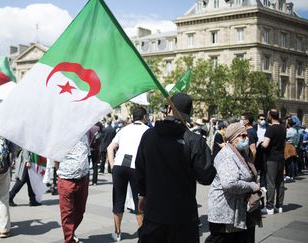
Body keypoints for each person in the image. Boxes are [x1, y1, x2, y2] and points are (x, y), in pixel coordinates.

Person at [136, 93, 216, 243]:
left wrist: (142, 194)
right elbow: (206, 176)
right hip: (183, 216)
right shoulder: (194, 140)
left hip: (155, 213)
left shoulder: (148, 136)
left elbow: (140, 171)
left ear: (168, 109)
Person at [206, 123, 261, 243]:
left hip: (240, 211)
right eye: (242, 136)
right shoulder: (227, 155)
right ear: (232, 138)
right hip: (225, 214)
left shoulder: (241, 153)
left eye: (246, 136)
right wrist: (252, 186)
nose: (246, 138)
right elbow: (230, 183)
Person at [107, 107, 149, 241]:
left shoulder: (123, 129)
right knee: (140, 201)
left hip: (119, 165)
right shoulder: (148, 131)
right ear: (145, 117)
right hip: (136, 167)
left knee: (118, 199)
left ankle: (117, 233)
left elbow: (110, 147)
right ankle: (142, 234)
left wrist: (112, 165)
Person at [54, 134, 90, 243]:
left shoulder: (84, 136)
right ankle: (69, 239)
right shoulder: (61, 137)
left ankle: (71, 232)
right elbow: (55, 159)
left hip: (83, 179)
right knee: (67, 213)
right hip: (66, 180)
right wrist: (59, 173)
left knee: (80, 210)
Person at [261, 109, 286, 215]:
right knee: (280, 182)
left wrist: (260, 144)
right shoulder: (283, 128)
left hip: (272, 158)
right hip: (281, 157)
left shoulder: (271, 129)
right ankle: (279, 206)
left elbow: (265, 145)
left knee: (270, 183)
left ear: (270, 116)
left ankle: (269, 207)